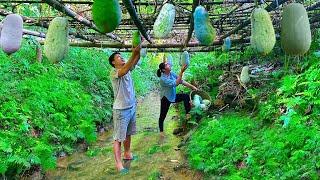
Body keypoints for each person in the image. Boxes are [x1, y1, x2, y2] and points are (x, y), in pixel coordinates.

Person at [109, 44, 141, 174]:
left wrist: (139, 48)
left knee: (128, 134)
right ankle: (118, 164)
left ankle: (127, 154)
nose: (121, 58)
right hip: (121, 110)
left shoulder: (127, 69)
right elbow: (125, 69)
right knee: (118, 138)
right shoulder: (115, 72)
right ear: (113, 62)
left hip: (131, 107)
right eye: (118, 57)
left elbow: (135, 60)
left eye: (122, 57)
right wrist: (133, 53)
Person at [157, 61, 198, 141]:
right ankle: (161, 132)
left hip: (173, 96)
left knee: (186, 96)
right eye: (166, 64)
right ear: (164, 70)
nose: (169, 64)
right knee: (162, 116)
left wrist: (192, 87)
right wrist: (181, 72)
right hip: (166, 98)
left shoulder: (171, 73)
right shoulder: (163, 79)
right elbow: (176, 83)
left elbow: (181, 81)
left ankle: (187, 113)